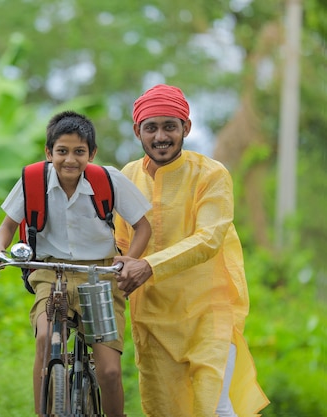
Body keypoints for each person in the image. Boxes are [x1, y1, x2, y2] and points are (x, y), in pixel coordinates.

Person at [113, 84, 270, 416]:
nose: (160, 136)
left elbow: (210, 238)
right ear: (136, 131)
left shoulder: (211, 174)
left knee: (214, 407)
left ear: (186, 127)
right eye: (150, 127)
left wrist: (148, 266)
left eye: (169, 126)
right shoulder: (126, 177)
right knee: (164, 410)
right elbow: (122, 242)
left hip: (206, 315)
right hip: (152, 320)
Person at [0, 110, 152, 417]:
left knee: (110, 372)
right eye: (62, 151)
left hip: (99, 276)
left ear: (92, 153)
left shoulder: (109, 180)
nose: (70, 160)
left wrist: (130, 260)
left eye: (79, 152)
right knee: (46, 338)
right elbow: (6, 227)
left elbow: (144, 226)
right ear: (49, 152)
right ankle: (42, 412)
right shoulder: (32, 180)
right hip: (51, 272)